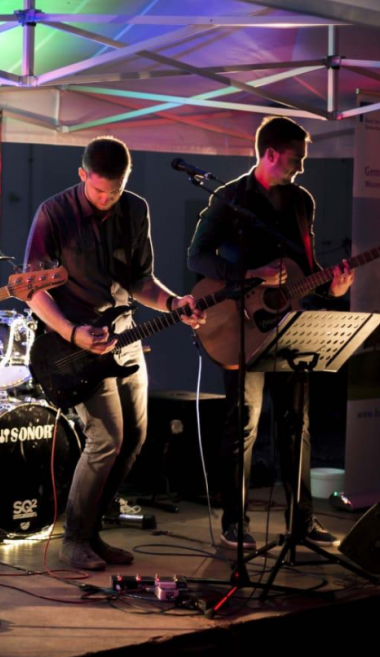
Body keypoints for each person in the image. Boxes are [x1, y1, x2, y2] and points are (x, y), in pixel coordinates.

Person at [23, 136, 205, 570]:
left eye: (116, 190)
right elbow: (31, 288)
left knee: (135, 437)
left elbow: (142, 280)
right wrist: (72, 332)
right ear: (82, 175)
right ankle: (74, 540)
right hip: (75, 342)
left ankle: (93, 532)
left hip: (124, 335)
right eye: (99, 190)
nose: (107, 199)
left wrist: (174, 303)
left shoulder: (135, 209)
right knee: (106, 437)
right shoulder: (54, 212)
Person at [187, 115, 355, 550]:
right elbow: (197, 256)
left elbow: (306, 268)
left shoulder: (302, 201)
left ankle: (302, 521)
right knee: (243, 423)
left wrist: (332, 287)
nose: (301, 166)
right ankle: (234, 522)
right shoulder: (229, 198)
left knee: (297, 423)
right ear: (271, 154)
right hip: (242, 326)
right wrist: (249, 274)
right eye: (296, 158)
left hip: (291, 323)